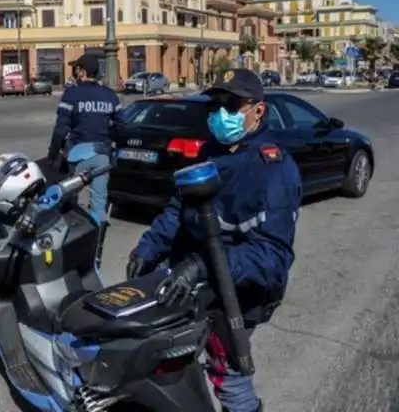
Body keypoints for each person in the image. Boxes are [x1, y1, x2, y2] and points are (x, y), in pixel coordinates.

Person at [125, 68, 301, 412]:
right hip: (192, 280)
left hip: (237, 293)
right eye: (214, 105)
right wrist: (149, 247)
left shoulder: (273, 169)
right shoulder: (210, 152)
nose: (220, 114)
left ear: (258, 110)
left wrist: (201, 266)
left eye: (231, 105)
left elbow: (272, 258)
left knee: (229, 375)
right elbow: (180, 207)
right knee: (167, 360)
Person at [46, 52, 121, 224]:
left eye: (76, 69)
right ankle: (96, 236)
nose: (74, 72)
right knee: (99, 203)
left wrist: (53, 154)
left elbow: (60, 129)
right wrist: (113, 148)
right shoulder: (110, 95)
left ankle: (69, 233)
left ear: (82, 72)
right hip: (102, 155)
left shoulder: (72, 94)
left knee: (67, 198)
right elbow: (121, 125)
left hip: (77, 155)